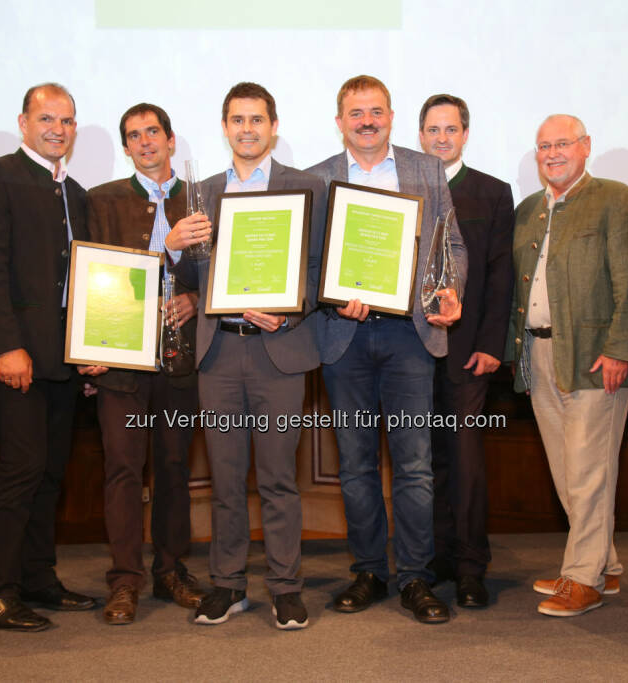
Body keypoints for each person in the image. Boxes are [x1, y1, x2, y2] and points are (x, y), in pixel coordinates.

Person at [307, 75, 466, 624]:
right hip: (344, 336)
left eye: (376, 111)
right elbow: (309, 263)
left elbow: (451, 244)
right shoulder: (317, 178)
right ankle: (370, 569)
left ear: (392, 116)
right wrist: (329, 299)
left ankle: (416, 577)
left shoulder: (426, 170)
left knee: (415, 465)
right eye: (356, 113)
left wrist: (451, 290)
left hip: (409, 337)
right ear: (340, 120)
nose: (367, 121)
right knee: (354, 465)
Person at [172, 82, 326, 630]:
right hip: (218, 354)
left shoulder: (309, 186)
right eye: (237, 120)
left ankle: (285, 587)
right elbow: (192, 277)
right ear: (224, 127)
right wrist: (175, 247)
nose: (247, 129)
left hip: (278, 352)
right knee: (226, 479)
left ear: (273, 126)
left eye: (256, 119)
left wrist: (291, 311)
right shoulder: (203, 193)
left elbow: (317, 270)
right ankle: (229, 584)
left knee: (280, 479)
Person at [0, 82, 96, 631]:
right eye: (47, 118)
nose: (57, 129)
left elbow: (88, 284)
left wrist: (91, 352)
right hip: (18, 356)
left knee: (49, 474)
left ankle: (39, 579)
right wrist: (5, 344)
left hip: (64, 360)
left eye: (67, 121)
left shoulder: (77, 194)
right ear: (23, 122)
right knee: (20, 471)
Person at [506, 114, 628, 617]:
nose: (552, 153)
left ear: (586, 146)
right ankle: (602, 565)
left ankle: (582, 577)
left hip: (595, 358)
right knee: (569, 471)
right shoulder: (528, 211)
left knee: (589, 469)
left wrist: (620, 349)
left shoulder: (615, 199)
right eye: (544, 146)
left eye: (562, 143)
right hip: (539, 356)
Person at [82, 103, 208, 625]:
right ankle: (125, 579)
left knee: (175, 467)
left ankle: (171, 569)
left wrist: (197, 300)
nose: (145, 142)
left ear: (171, 140)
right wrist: (165, 247)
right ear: (126, 147)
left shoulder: (200, 198)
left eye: (153, 132)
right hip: (121, 364)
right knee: (123, 469)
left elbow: (222, 270)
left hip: (181, 360)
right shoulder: (102, 200)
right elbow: (93, 276)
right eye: (133, 136)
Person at [418, 94, 514, 608]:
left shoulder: (492, 192)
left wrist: (491, 345)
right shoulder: (404, 190)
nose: (441, 138)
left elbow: (500, 276)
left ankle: (472, 566)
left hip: (467, 354)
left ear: (465, 134)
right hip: (412, 353)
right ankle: (436, 559)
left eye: (450, 129)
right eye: (432, 129)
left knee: (466, 458)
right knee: (424, 463)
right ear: (420, 135)